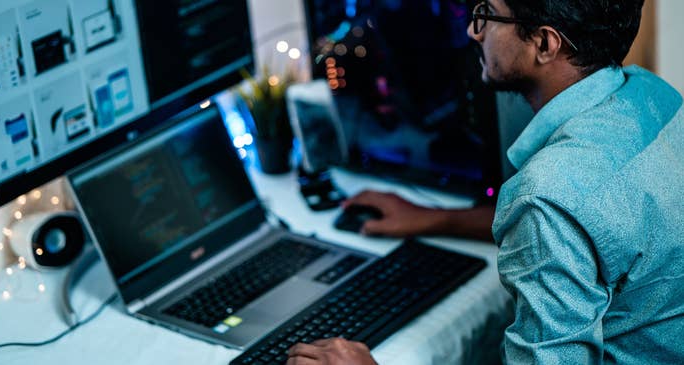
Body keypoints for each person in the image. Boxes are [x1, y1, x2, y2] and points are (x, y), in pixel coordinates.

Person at [287, 0, 684, 363]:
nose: (473, 32)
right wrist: (433, 218)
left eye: (487, 14)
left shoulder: (547, 195)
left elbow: (556, 208)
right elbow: (591, 224)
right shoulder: (651, 95)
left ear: (544, 44)